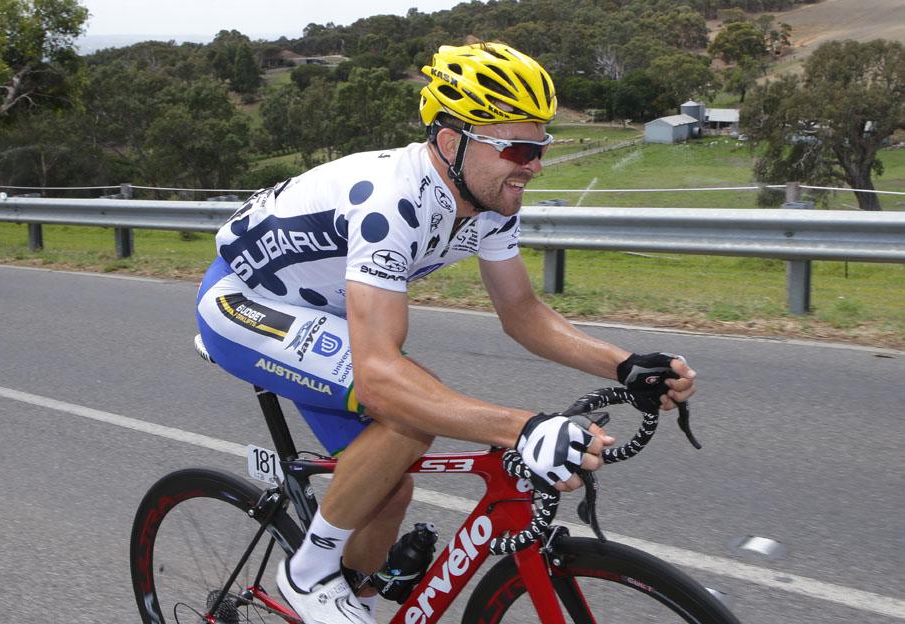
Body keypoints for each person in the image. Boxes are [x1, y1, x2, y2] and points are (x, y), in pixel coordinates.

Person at [196, 42, 696, 624]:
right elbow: (383, 378)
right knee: (411, 409)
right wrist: (523, 428)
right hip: (244, 302)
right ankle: (306, 574)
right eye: (519, 147)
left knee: (390, 491)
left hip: (328, 314)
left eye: (542, 146)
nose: (534, 164)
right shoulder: (393, 200)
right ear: (455, 139)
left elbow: (522, 312)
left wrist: (624, 365)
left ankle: (345, 594)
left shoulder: (491, 199)